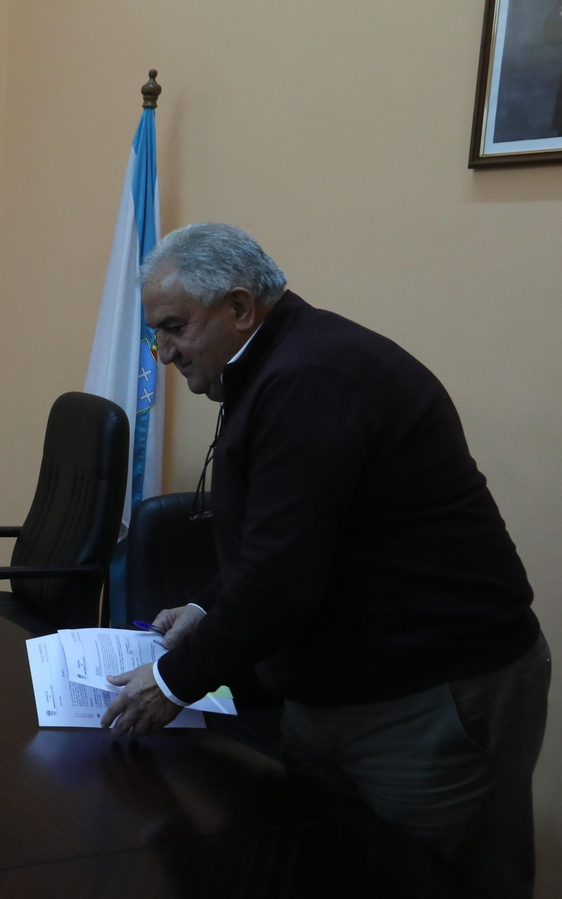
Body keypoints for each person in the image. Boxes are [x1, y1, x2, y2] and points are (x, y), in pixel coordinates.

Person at [99, 223, 549, 898]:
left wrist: (170, 683)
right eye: (154, 334)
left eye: (173, 328)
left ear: (239, 307)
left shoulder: (311, 378)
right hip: (338, 689)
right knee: (327, 872)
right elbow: (285, 538)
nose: (163, 353)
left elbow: (282, 578)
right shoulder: (274, 366)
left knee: (437, 883)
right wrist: (204, 607)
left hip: (432, 694)